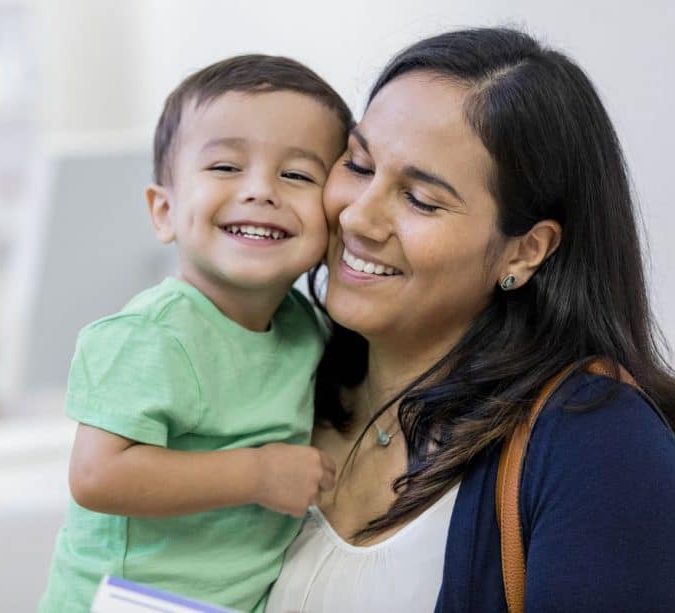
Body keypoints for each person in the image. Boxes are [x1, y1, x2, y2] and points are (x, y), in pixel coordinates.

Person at [266, 27, 675, 612]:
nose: (358, 216)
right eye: (358, 164)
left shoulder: (599, 445)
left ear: (524, 250)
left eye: (420, 200)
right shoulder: (278, 370)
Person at [38, 55, 352, 612]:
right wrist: (257, 474)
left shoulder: (308, 329)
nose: (261, 190)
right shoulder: (150, 335)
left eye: (298, 175)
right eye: (226, 167)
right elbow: (96, 475)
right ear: (164, 211)